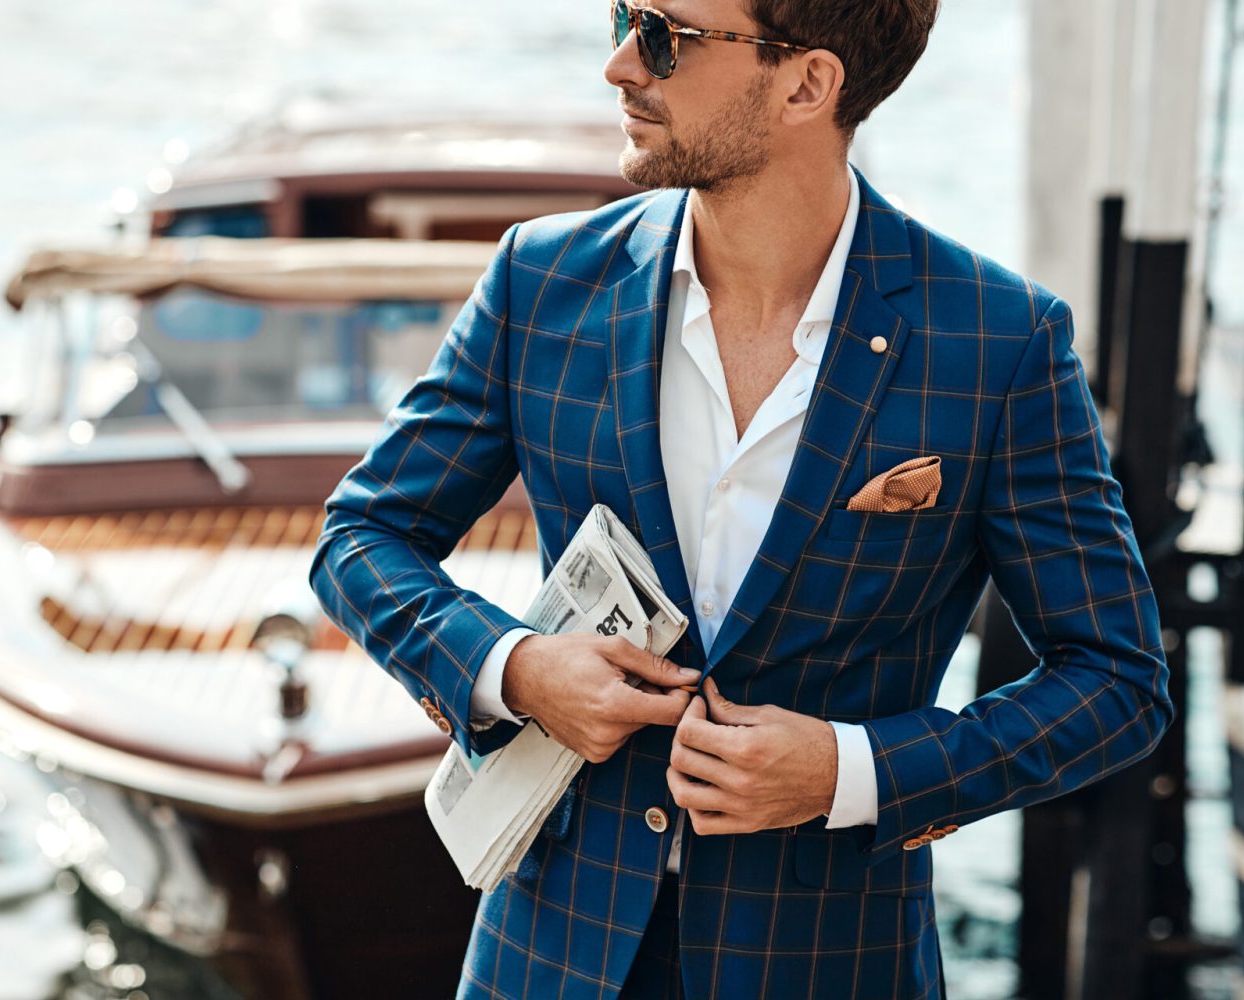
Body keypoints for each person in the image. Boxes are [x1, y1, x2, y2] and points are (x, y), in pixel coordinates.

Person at [309, 0, 1174, 996]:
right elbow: (361, 535)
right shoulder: (539, 282)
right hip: (550, 953)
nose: (620, 66)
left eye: (664, 36)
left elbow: (1115, 680)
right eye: (622, 16)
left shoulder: (996, 340)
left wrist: (853, 771)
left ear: (806, 83)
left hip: (832, 963)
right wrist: (514, 667)